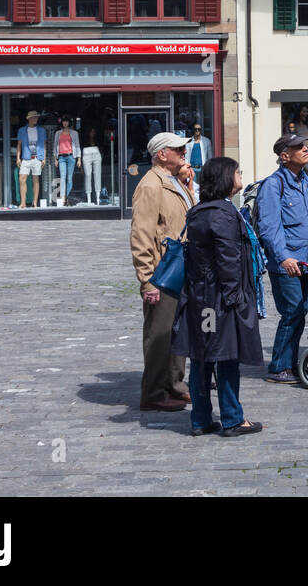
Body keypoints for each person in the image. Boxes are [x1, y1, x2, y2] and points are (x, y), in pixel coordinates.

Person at [173, 157, 263, 437]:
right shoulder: (222, 213)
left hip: (201, 297)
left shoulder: (200, 210)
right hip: (220, 300)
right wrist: (236, 298)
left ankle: (200, 419)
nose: (241, 175)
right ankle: (232, 419)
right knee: (226, 357)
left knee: (202, 357)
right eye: (237, 171)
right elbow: (228, 259)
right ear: (226, 177)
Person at [255, 133, 308, 387]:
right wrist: (283, 257)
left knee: (301, 311)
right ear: (285, 156)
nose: (306, 149)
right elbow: (269, 226)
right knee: (292, 312)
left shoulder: (306, 181)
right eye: (299, 147)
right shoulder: (273, 185)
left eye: (305, 145)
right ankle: (280, 366)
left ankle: (289, 361)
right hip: (287, 263)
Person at [129, 131, 193, 412]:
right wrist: (147, 280)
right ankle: (154, 392)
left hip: (180, 269)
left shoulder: (172, 182)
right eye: (178, 149)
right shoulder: (151, 185)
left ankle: (175, 385)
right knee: (159, 334)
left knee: (177, 332)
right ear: (162, 154)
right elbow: (141, 233)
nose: (184, 153)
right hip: (163, 272)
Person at [17, 110, 46, 209]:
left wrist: (44, 158)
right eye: (34, 117)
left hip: (37, 157)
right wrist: (18, 158)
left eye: (37, 117)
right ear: (29, 119)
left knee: (36, 179)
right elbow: (19, 145)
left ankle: (34, 202)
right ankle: (23, 202)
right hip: (26, 157)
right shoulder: (22, 130)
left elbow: (43, 145)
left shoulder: (41, 130)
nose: (35, 119)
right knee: (22, 179)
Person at [53, 117, 80, 205]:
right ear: (62, 123)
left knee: (69, 179)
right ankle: (63, 198)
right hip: (61, 157)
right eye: (64, 121)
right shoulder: (58, 133)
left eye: (67, 121)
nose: (65, 123)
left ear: (69, 122)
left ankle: (65, 196)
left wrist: (79, 159)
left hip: (71, 157)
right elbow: (55, 146)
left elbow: (77, 145)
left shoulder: (74, 133)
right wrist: (55, 159)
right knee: (63, 178)